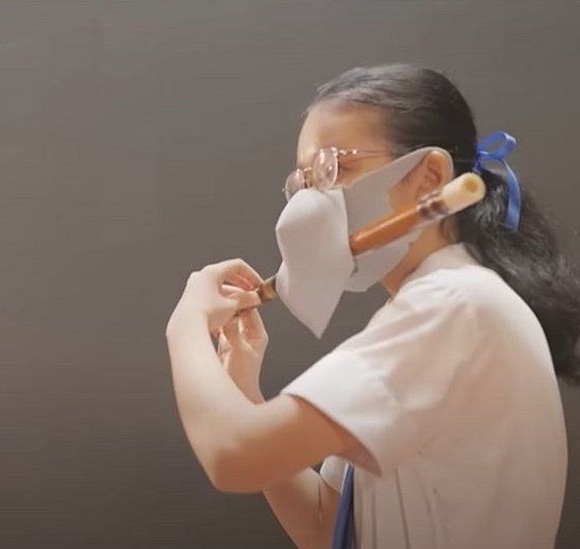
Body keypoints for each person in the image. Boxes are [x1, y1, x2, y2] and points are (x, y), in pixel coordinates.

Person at [165, 64, 577, 548]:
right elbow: (328, 524)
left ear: (428, 177)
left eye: (333, 168)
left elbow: (233, 456)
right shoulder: (442, 306)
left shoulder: (455, 307)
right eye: (303, 182)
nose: (309, 203)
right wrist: (244, 392)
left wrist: (186, 324)